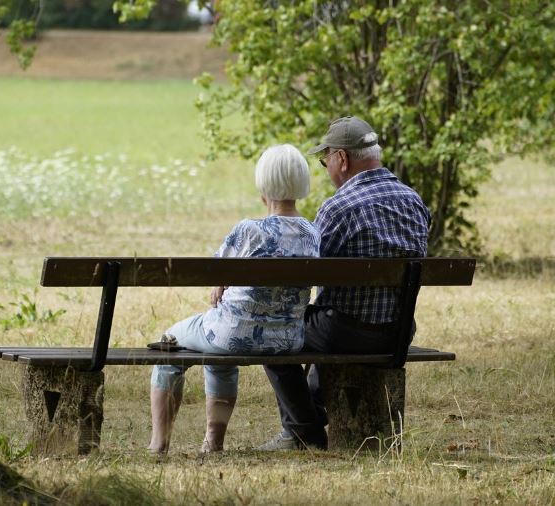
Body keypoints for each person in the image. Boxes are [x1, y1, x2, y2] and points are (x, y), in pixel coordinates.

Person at [258, 116, 431, 451]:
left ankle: (304, 432)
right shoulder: (414, 202)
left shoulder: (338, 209)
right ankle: (308, 420)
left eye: (325, 162)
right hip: (398, 332)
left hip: (345, 333)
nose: (326, 169)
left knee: (272, 329)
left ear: (341, 158)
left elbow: (305, 274)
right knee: (329, 317)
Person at [148, 144, 320, 454]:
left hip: (232, 334)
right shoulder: (312, 233)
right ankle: (212, 443)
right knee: (217, 349)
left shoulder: (249, 230)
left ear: (263, 185)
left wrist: (221, 283)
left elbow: (215, 271)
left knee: (169, 342)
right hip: (287, 340)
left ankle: (159, 444)